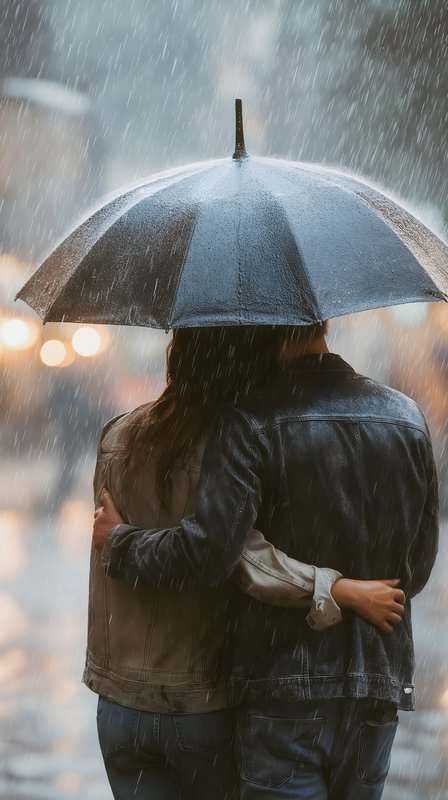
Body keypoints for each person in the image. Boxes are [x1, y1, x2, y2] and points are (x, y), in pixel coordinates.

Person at [92, 323, 420, 800]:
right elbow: (230, 553)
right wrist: (343, 589)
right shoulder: (404, 417)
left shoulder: (119, 435)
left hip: (121, 702)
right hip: (220, 701)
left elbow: (205, 549)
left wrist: (120, 543)